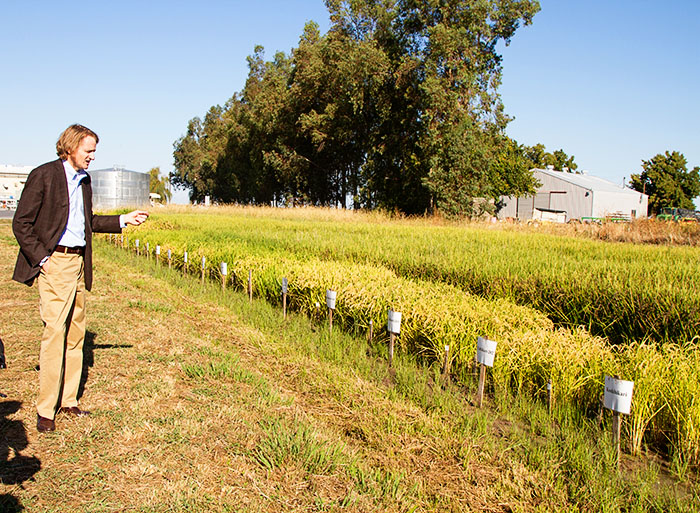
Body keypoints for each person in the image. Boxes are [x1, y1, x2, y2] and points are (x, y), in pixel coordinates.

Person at [12, 124, 149, 433]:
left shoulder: (84, 180)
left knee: (76, 336)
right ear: (71, 147)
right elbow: (21, 223)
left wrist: (122, 221)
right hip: (55, 262)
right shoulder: (44, 175)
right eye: (89, 150)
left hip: (78, 263)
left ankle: (69, 401)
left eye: (94, 151)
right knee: (54, 335)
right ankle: (46, 410)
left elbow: (88, 221)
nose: (92, 156)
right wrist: (42, 259)